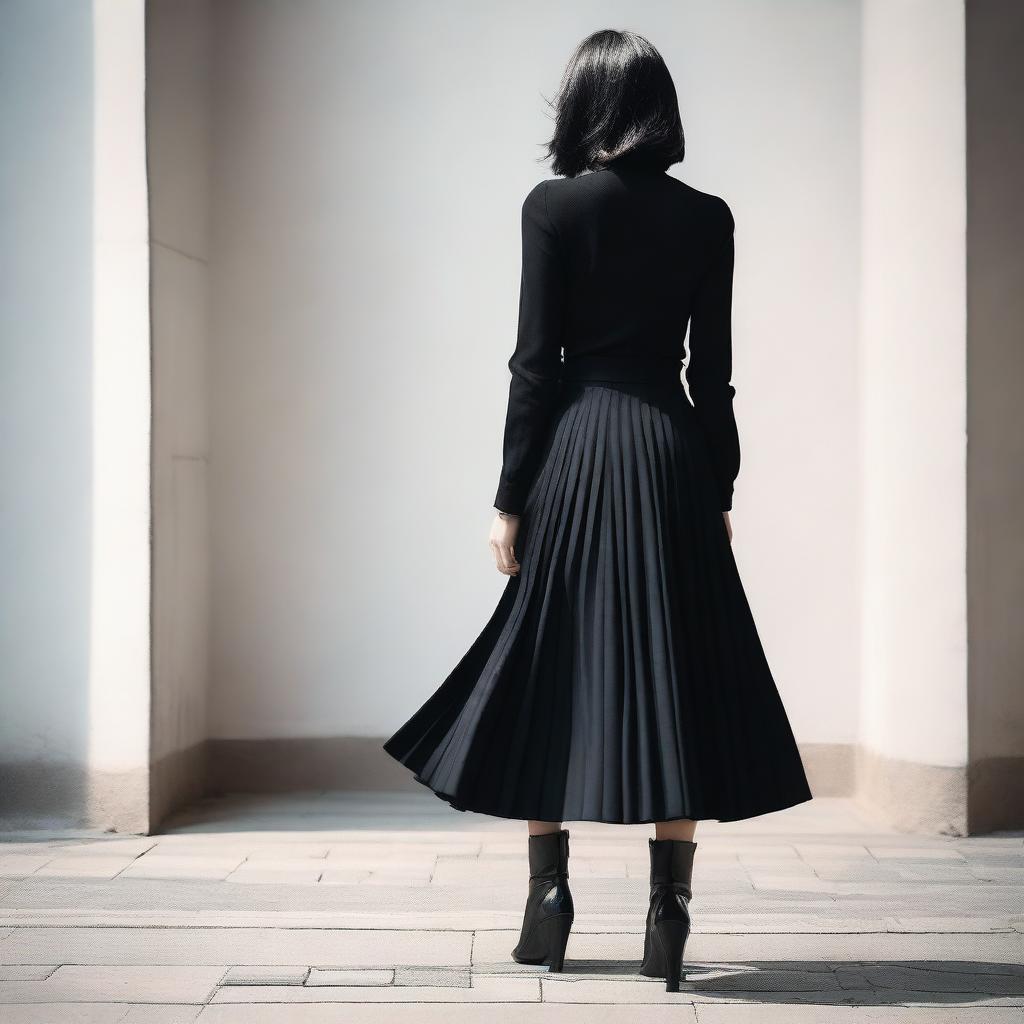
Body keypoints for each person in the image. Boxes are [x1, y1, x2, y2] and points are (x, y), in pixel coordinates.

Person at [383, 28, 813, 992]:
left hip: (578, 451)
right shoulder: (710, 219)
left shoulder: (552, 209)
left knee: (550, 664)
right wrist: (720, 485)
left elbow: (534, 367)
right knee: (682, 670)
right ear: (659, 109)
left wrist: (510, 499)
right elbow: (717, 376)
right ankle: (670, 909)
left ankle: (549, 900)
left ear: (583, 106)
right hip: (668, 456)